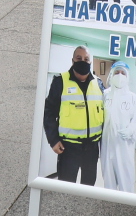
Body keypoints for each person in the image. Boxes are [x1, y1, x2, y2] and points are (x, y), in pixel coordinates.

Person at [43, 45, 104, 184]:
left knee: (88, 185)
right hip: (68, 147)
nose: (83, 61)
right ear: (73, 61)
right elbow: (49, 112)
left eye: (86, 59)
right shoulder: (60, 81)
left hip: (92, 148)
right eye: (79, 58)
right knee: (65, 184)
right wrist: (53, 140)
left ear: (90, 62)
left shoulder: (98, 83)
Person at [99, 59, 136, 195]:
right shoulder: (105, 95)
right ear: (111, 74)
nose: (119, 75)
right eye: (116, 72)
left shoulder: (132, 98)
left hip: (124, 147)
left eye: (122, 73)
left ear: (127, 76)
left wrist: (130, 130)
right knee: (109, 182)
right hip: (106, 145)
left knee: (126, 182)